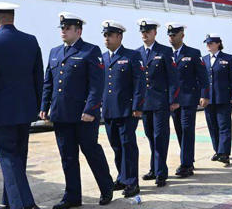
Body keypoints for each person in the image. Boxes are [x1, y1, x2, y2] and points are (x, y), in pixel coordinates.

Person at [40, 13, 113, 208]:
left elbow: (97, 86)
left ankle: (107, 188)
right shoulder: (55, 52)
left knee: (91, 152)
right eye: (62, 28)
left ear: (78, 31)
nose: (63, 31)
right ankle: (72, 196)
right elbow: (49, 82)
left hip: (84, 116)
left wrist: (90, 109)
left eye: (67, 28)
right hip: (61, 114)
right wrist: (44, 106)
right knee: (68, 157)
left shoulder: (90, 51)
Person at [0, 2, 43, 209]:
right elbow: (38, 77)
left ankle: (23, 204)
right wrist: (38, 106)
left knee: (8, 159)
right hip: (25, 110)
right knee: (18, 157)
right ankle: (9, 200)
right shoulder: (30, 41)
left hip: (1, 112)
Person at [101, 20, 144, 198]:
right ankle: (122, 177)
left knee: (128, 146)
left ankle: (132, 182)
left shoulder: (132, 56)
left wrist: (137, 106)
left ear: (119, 36)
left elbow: (139, 83)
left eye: (109, 35)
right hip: (109, 111)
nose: (106, 39)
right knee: (116, 146)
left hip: (127, 110)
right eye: (105, 35)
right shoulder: (103, 57)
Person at [134, 19, 177, 187]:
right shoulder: (137, 53)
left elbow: (173, 78)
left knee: (161, 137)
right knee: (151, 137)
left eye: (148, 31)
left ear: (155, 33)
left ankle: (161, 172)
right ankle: (154, 169)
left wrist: (173, 99)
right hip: (145, 104)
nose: (144, 34)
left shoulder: (165, 51)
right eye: (142, 32)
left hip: (161, 102)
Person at [167, 23, 207, 175]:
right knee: (179, 131)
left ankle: (186, 164)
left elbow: (203, 77)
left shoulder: (193, 53)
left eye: (174, 35)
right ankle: (188, 158)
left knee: (187, 130)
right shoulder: (166, 54)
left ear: (182, 35)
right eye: (169, 35)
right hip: (173, 101)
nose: (171, 37)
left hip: (189, 99)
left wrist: (204, 95)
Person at [201, 33, 232, 165]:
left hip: (224, 98)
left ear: (218, 43)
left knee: (224, 126)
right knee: (213, 127)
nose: (208, 45)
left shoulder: (228, 58)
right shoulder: (203, 59)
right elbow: (200, 80)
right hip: (209, 99)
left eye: (211, 43)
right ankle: (217, 150)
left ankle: (224, 153)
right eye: (207, 43)